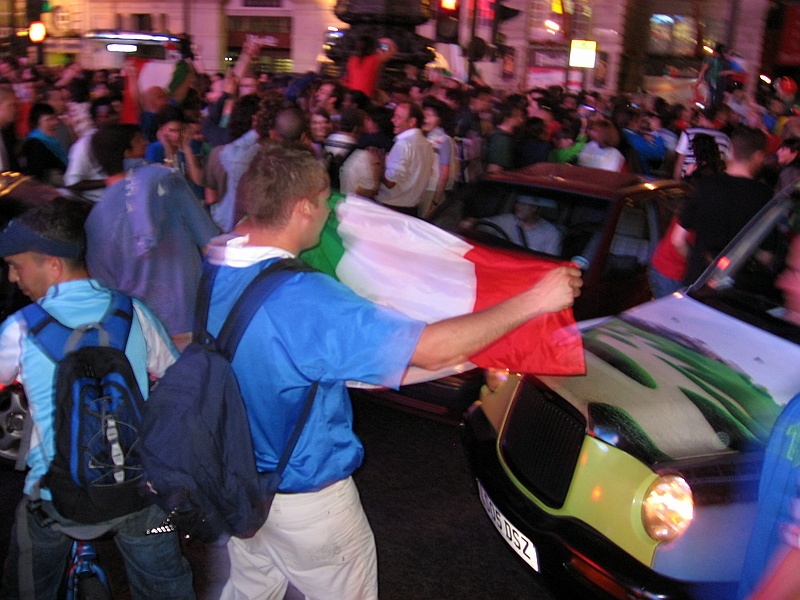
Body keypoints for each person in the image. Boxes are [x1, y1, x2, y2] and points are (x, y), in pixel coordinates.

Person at [206, 143, 581, 599]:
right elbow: (429, 351)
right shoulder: (308, 300)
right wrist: (534, 301)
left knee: (248, 591)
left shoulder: (219, 264)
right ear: (302, 208)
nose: (331, 213)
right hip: (305, 499)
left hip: (238, 480)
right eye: (326, 202)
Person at [0, 200, 195, 600]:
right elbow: (178, 379)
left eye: (17, 265)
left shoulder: (19, 329)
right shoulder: (134, 312)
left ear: (52, 265)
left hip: (57, 504)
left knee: (25, 582)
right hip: (142, 496)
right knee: (166, 584)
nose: (12, 276)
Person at [85, 124, 219, 351]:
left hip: (140, 334)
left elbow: (105, 288)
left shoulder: (95, 217)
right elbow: (211, 246)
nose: (146, 144)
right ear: (127, 152)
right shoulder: (166, 182)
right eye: (139, 140)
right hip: (190, 319)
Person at [673, 126, 773, 285]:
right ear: (759, 156)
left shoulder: (707, 185)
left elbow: (677, 240)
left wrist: (700, 265)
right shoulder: (764, 195)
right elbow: (767, 255)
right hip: (736, 289)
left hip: (697, 283)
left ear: (731, 152)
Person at [648, 134, 725, 298]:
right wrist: (699, 263)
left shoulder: (693, 200)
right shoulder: (700, 206)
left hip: (667, 267)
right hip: (670, 271)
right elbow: (679, 242)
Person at [375, 101, 434, 216]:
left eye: (398, 117)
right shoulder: (426, 144)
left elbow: (390, 182)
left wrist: (379, 162)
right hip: (411, 208)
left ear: (412, 122)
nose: (393, 120)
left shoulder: (404, 144)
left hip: (390, 208)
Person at [477, 195, 563, 254]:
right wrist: (472, 222)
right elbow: (482, 225)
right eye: (518, 203)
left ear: (534, 208)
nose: (518, 206)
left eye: (523, 204)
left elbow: (549, 264)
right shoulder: (507, 220)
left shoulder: (551, 233)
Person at [19, 103, 69, 186]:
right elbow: (37, 177)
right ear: (36, 123)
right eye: (49, 119)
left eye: (55, 118)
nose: (55, 123)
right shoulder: (35, 145)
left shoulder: (51, 142)